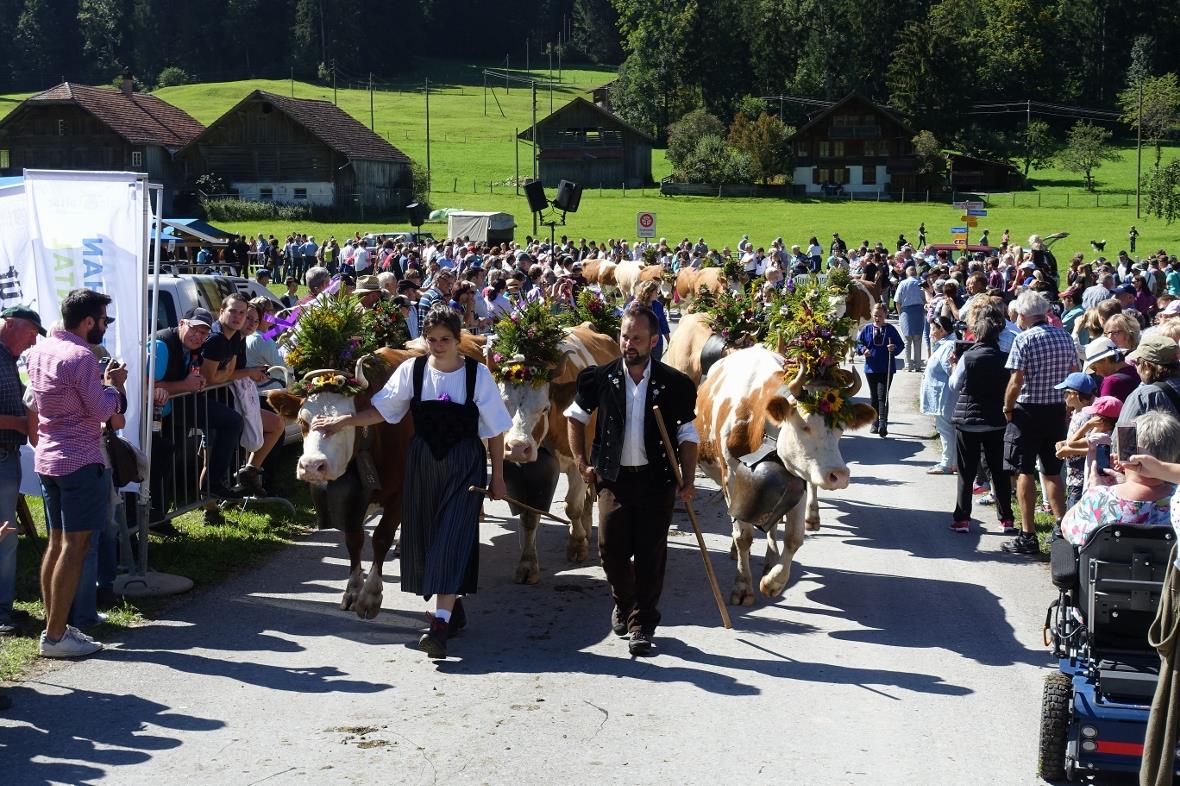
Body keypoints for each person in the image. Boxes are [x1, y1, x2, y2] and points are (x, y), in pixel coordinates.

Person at [312, 306, 511, 660]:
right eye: (431, 339)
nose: (437, 346)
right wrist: (346, 421)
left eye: (445, 340)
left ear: (458, 339)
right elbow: (384, 411)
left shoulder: (476, 375)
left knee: (453, 536)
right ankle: (454, 605)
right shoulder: (412, 370)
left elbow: (495, 429)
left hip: (464, 464)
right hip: (421, 463)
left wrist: (498, 476)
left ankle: (438, 626)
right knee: (428, 537)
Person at [565, 306, 698, 656]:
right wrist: (581, 463)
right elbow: (575, 418)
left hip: (657, 481)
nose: (629, 344)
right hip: (613, 479)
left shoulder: (675, 384)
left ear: (654, 341)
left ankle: (642, 624)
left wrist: (688, 478)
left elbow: (688, 434)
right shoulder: (600, 378)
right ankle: (624, 601)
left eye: (637, 338)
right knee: (610, 551)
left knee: (651, 554)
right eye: (625, 336)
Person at [26, 289, 125, 658]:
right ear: (87, 322)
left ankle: (54, 628)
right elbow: (101, 410)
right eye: (103, 321)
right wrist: (115, 388)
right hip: (80, 460)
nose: (104, 327)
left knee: (57, 544)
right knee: (75, 547)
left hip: (49, 459)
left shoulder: (39, 350)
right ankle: (55, 637)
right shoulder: (82, 356)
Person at [1001, 291, 1079, 555]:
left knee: (1024, 470)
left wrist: (1007, 408)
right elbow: (1073, 374)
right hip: (1056, 409)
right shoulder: (1065, 336)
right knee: (1052, 469)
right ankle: (1062, 527)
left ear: (1023, 315)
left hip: (1028, 411)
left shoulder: (1023, 339)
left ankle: (1028, 533)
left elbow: (1016, 381)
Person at [1060, 410, 1179, 547]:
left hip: (1104, 569)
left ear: (1126, 452)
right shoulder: (1177, 499)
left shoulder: (1099, 497)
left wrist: (1091, 491)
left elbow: (1066, 528)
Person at [948, 302, 1015, 534]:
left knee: (966, 472)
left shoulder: (968, 356)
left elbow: (954, 385)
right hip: (996, 420)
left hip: (968, 420)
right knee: (999, 471)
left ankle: (962, 518)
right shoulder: (1005, 357)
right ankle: (1006, 518)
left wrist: (954, 366)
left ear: (976, 334)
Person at [0, 307, 43, 636]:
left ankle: (4, 607)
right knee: (4, 536)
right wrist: (21, 423)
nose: (32, 340)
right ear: (9, 323)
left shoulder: (7, 357)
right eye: (31, 331)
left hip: (8, 455)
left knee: (7, 537)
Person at [856, 303, 903, 438]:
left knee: (883, 396)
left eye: (880, 316)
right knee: (874, 397)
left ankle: (883, 423)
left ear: (885, 316)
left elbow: (900, 344)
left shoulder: (890, 329)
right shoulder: (866, 329)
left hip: (886, 368)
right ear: (872, 315)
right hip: (871, 368)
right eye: (875, 316)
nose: (877, 318)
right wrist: (863, 350)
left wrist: (893, 348)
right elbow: (859, 343)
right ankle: (874, 422)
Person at [920, 315, 959, 474]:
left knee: (946, 430)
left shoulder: (948, 346)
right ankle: (953, 462)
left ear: (942, 330)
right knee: (948, 430)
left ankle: (947, 463)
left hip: (945, 398)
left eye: (932, 330)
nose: (930, 333)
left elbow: (951, 371)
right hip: (942, 397)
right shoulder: (945, 344)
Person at [1053, 372, 1098, 510]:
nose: (1064, 396)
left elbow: (1093, 446)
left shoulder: (1087, 416)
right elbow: (1077, 440)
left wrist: (1069, 450)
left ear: (1075, 394)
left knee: (1075, 511)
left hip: (1082, 477)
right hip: (1074, 476)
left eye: (1065, 392)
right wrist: (1064, 443)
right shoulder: (1078, 414)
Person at [1117, 334, 1180, 423]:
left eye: (1137, 363)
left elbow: (1123, 435)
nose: (1136, 368)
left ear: (1147, 366)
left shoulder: (1143, 396)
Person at [1081, 337, 1139, 402]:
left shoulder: (1110, 381)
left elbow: (1103, 411)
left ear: (1106, 360)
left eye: (1094, 368)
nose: (1097, 373)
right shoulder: (1135, 370)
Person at [894, 266, 927, 372]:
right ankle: (917, 365)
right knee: (917, 339)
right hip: (918, 311)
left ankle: (908, 364)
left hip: (906, 312)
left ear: (907, 274)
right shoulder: (920, 283)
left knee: (907, 340)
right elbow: (925, 299)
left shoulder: (903, 284)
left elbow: (897, 301)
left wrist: (900, 314)